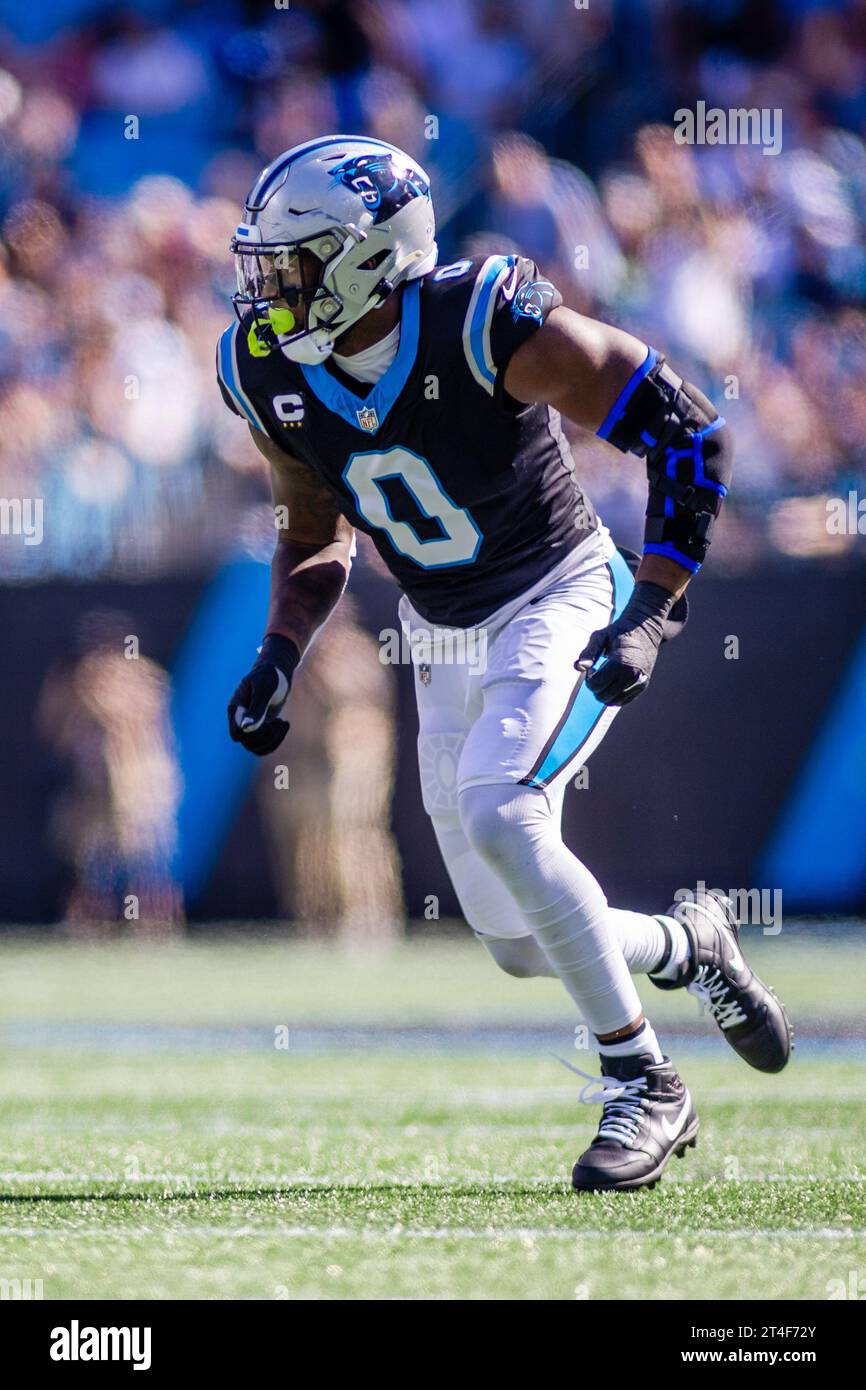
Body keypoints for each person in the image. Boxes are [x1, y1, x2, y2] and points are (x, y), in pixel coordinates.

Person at [217, 136, 791, 1192]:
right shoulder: (264, 369)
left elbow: (685, 434)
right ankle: (688, 945)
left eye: (293, 264)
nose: (270, 290)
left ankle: (643, 1083)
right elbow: (313, 531)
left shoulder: (483, 321)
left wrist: (655, 606)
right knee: (521, 941)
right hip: (442, 629)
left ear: (365, 256)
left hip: (557, 591)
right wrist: (278, 652)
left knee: (502, 812)